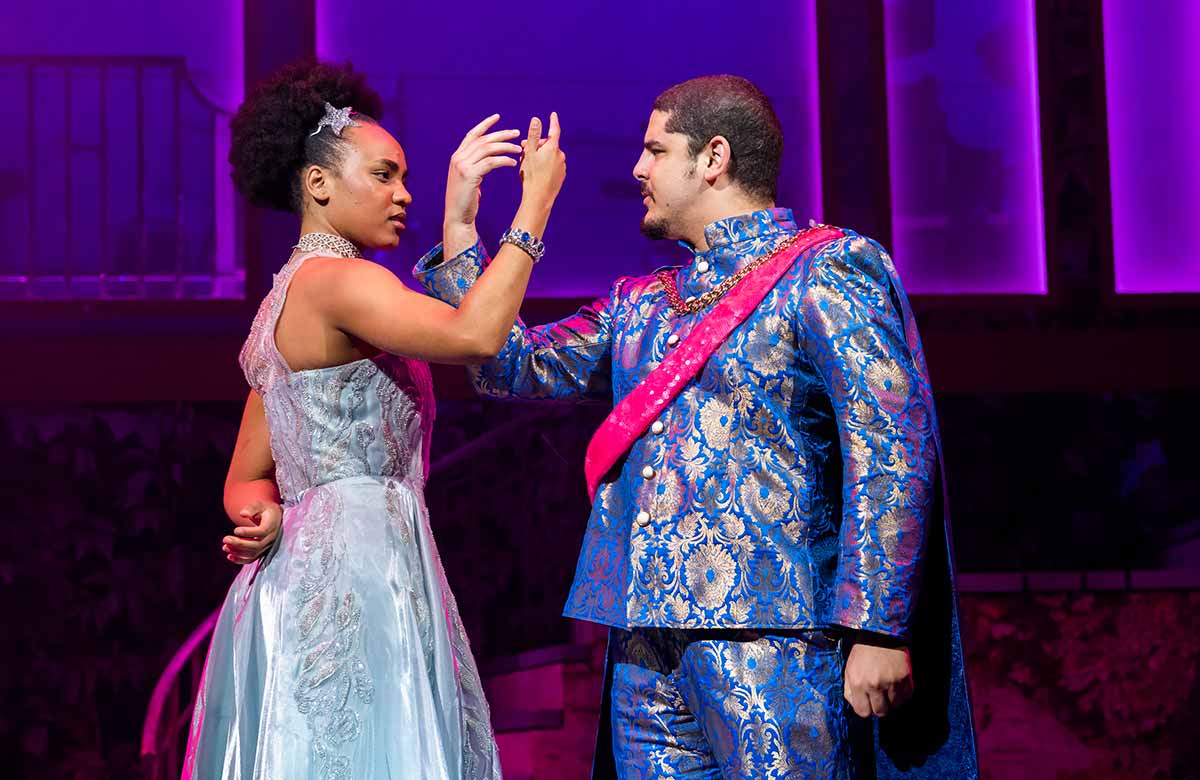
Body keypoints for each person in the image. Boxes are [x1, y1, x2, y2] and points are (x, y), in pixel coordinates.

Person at [415, 75, 977, 779]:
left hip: (774, 633)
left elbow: (892, 444)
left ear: (713, 157)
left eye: (655, 150)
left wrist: (876, 628)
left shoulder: (827, 269)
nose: (637, 170)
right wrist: (463, 229)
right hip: (644, 643)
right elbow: (508, 367)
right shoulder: (641, 303)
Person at [183, 59, 566, 779]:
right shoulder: (341, 282)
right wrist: (533, 210)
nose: (403, 194)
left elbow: (244, 479)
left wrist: (259, 514)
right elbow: (476, 337)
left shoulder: (284, 299)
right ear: (319, 184)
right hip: (362, 576)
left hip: (313, 571)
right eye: (385, 175)